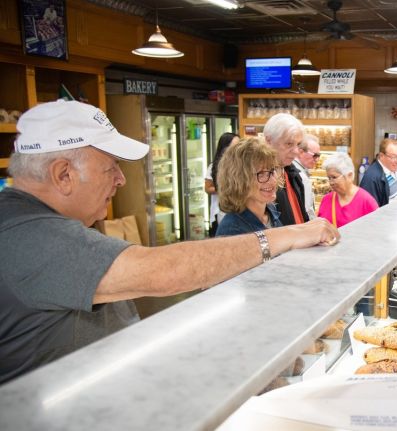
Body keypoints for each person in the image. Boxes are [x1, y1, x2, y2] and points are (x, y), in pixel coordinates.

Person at [0, 100, 339, 384]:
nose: (120, 180)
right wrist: (290, 235)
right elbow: (162, 271)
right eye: (111, 167)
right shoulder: (24, 234)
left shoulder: (51, 224)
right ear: (63, 174)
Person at [215, 138, 283, 235]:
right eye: (261, 174)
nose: (273, 180)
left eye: (272, 171)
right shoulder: (232, 229)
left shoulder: (271, 213)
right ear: (239, 179)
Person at [263, 113, 309, 226]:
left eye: (298, 144)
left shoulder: (294, 175)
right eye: (289, 144)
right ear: (269, 141)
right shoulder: (259, 180)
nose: (296, 151)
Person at [317, 153, 379, 228]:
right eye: (329, 178)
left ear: (349, 175)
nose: (331, 182)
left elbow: (376, 230)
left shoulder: (366, 201)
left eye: (334, 177)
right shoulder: (326, 200)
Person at [359, 138, 397, 207]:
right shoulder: (372, 178)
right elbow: (370, 211)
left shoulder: (393, 169)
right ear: (381, 156)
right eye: (394, 157)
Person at [205, 132, 239, 236]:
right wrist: (225, 189)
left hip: (239, 210)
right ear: (225, 148)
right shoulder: (214, 166)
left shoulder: (241, 165)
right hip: (220, 210)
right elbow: (207, 188)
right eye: (234, 146)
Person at [293, 134, 320, 219]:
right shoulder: (302, 177)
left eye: (319, 156)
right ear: (300, 152)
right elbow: (307, 211)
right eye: (315, 155)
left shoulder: (291, 169)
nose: (317, 160)